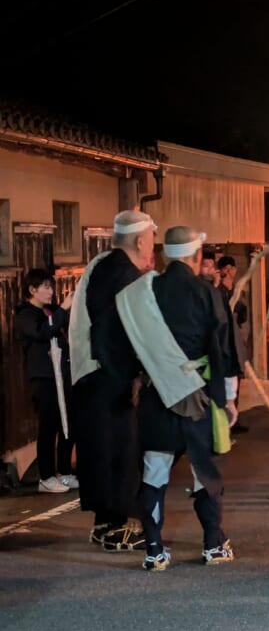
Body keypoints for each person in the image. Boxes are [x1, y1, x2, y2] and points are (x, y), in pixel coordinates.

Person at [116, 226, 238, 572]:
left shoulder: (141, 292)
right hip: (197, 395)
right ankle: (213, 545)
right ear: (197, 256)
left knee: (155, 473)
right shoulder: (206, 292)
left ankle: (154, 551)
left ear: (167, 254)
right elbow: (222, 348)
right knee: (204, 473)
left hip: (158, 394)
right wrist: (228, 398)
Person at [69, 210, 156, 551]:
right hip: (105, 373)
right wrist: (132, 375)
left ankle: (106, 522)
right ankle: (116, 526)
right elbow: (111, 332)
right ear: (139, 239)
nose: (153, 247)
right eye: (151, 239)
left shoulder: (105, 264)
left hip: (96, 374)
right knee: (116, 450)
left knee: (104, 449)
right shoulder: (119, 271)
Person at [14, 269, 77, 493]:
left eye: (51, 286)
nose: (51, 291)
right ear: (32, 290)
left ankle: (64, 472)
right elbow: (43, 332)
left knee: (68, 423)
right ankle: (46, 476)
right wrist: (63, 309)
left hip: (61, 374)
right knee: (48, 427)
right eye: (46, 287)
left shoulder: (49, 311)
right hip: (43, 378)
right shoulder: (26, 315)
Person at [201, 249, 248, 435]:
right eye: (205, 266)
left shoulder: (228, 289)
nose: (209, 270)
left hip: (227, 344)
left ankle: (226, 426)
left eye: (212, 266)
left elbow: (241, 314)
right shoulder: (208, 291)